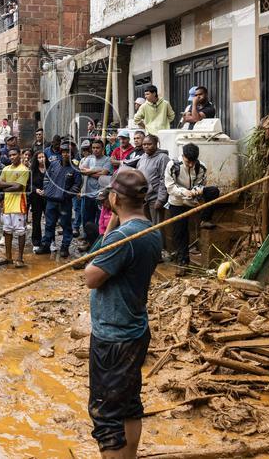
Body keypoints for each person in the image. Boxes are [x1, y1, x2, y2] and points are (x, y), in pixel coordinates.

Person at [83, 168, 162, 459]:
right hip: (135, 330)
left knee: (106, 417)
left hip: (113, 338)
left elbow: (90, 275)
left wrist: (112, 228)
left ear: (115, 198)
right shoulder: (150, 231)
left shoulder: (124, 238)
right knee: (129, 405)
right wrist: (113, 225)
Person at [164, 143, 221, 267]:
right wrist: (184, 192)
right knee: (180, 231)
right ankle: (183, 260)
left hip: (193, 199)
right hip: (177, 201)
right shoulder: (173, 165)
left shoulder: (201, 167)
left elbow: (201, 183)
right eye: (188, 161)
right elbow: (170, 187)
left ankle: (205, 219)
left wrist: (196, 190)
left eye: (193, 162)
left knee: (213, 191)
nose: (190, 164)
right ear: (183, 156)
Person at [40, 142, 82, 258]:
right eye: (63, 152)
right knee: (49, 224)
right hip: (51, 201)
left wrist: (66, 195)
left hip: (65, 203)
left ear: (71, 154)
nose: (65, 154)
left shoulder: (75, 169)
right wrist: (47, 190)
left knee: (66, 225)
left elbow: (77, 185)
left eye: (67, 152)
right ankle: (46, 245)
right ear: (60, 153)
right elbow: (46, 178)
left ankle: (64, 247)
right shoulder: (54, 165)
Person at [123, 134, 170, 226]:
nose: (146, 146)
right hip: (143, 198)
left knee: (157, 227)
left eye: (149, 144)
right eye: (144, 144)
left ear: (156, 144)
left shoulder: (162, 158)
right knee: (146, 227)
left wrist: (160, 200)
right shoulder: (143, 157)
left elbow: (164, 179)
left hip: (155, 199)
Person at [0, 147, 31, 267]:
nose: (12, 157)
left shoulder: (24, 169)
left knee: (20, 232)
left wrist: (5, 187)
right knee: (7, 231)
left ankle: (20, 259)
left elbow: (19, 187)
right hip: (7, 205)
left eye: (14, 155)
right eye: (10, 155)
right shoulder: (6, 169)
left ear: (20, 155)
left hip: (19, 205)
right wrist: (11, 185)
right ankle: (8, 258)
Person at [79, 139, 114, 233]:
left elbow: (104, 174)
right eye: (93, 148)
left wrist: (89, 172)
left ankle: (98, 239)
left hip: (100, 195)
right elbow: (81, 170)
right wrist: (97, 170)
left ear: (102, 148)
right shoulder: (89, 158)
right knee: (86, 219)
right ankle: (87, 239)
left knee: (100, 220)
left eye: (98, 148)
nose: (95, 150)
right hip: (88, 193)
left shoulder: (107, 159)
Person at [28, 150, 48, 249]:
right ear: (36, 159)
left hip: (48, 198)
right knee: (36, 220)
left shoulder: (50, 168)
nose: (41, 159)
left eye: (43, 157)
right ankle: (36, 241)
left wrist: (47, 190)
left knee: (50, 220)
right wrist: (36, 190)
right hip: (36, 198)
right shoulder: (32, 170)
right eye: (39, 157)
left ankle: (50, 241)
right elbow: (29, 184)